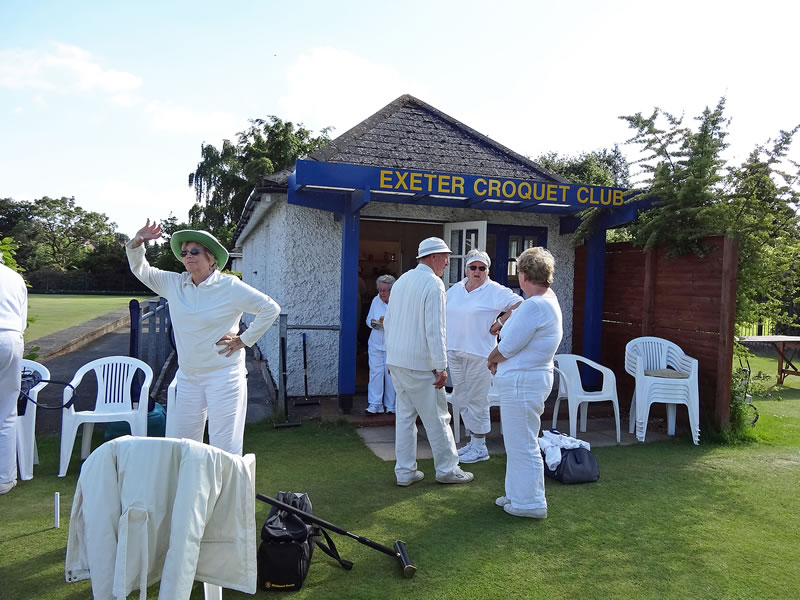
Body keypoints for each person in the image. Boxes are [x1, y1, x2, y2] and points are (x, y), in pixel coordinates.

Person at [126, 219, 280, 456]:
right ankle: (190, 492)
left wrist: (244, 340)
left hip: (224, 376)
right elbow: (141, 270)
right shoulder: (174, 283)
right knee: (183, 446)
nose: (188, 256)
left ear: (211, 258)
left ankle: (226, 493)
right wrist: (137, 242)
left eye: (195, 251)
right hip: (188, 377)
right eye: (185, 252)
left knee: (225, 449)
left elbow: (270, 308)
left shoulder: (230, 286)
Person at [384, 237, 473, 486]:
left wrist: (391, 359)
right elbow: (435, 329)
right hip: (420, 364)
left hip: (398, 362)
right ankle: (447, 469)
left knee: (404, 418)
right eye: (444, 256)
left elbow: (389, 322)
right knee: (438, 418)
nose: (447, 261)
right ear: (433, 257)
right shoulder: (433, 284)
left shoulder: (402, 281)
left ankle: (404, 471)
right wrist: (441, 366)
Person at [487, 247, 562, 518]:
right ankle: (516, 495)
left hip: (524, 382)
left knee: (523, 443)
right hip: (527, 380)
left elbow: (509, 345)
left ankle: (531, 503)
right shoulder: (544, 300)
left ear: (525, 274)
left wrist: (491, 358)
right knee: (518, 441)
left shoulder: (535, 305)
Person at [446, 249, 521, 463]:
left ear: (487, 270)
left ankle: (480, 447)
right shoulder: (455, 289)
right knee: (461, 398)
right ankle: (473, 441)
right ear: (466, 269)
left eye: (482, 268)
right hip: (455, 350)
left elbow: (520, 305)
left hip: (480, 354)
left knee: (477, 400)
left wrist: (500, 322)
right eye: (473, 267)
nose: (477, 271)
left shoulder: (494, 290)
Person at [0, 254, 27, 495]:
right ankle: (4, 479)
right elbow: (22, 321)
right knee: (7, 411)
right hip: (11, 339)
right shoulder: (14, 277)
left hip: (9, 335)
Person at [365, 274, 396, 415]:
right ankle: (375, 404)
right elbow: (368, 319)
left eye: (384, 290)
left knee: (391, 376)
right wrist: (373, 323)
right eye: (380, 290)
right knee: (375, 374)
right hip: (376, 344)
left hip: (392, 345)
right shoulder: (375, 300)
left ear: (391, 290)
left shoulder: (398, 302)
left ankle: (392, 406)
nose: (381, 293)